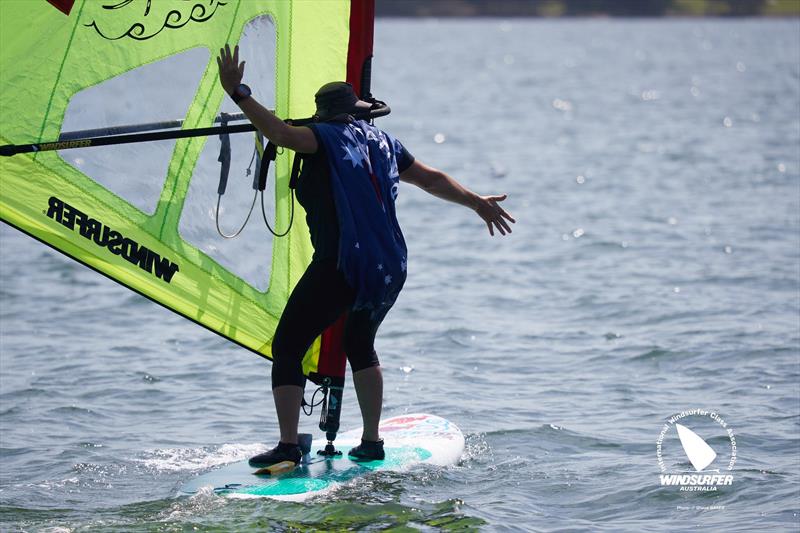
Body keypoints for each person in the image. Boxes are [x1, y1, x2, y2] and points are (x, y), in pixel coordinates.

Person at [216, 44, 515, 465]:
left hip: (342, 266)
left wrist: (239, 93)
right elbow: (431, 180)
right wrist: (476, 202)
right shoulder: (386, 143)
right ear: (358, 112)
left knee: (288, 346)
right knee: (360, 343)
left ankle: (287, 447)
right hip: (390, 266)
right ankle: (372, 441)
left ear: (322, 115)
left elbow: (281, 133)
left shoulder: (320, 137)